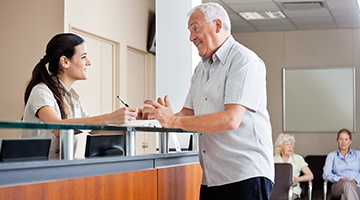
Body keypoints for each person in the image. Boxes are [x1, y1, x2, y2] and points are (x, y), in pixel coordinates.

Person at [143, 2, 274, 200]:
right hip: (213, 177)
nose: (191, 37)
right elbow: (187, 114)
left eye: (195, 28)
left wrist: (173, 121)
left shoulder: (244, 61)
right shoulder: (201, 69)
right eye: (189, 31)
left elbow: (231, 119)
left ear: (218, 26)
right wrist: (157, 116)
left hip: (245, 174)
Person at [21, 33, 140, 159]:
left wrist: (132, 123)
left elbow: (92, 129)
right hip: (35, 170)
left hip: (61, 169)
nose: (89, 63)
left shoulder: (73, 97)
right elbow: (58, 128)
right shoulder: (41, 91)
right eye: (83, 57)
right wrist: (110, 117)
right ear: (65, 62)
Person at [323, 128, 360, 200]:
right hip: (338, 187)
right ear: (337, 140)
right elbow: (326, 174)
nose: (343, 142)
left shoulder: (358, 155)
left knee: (344, 195)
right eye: (341, 139)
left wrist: (355, 180)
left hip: (357, 187)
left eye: (346, 139)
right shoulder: (332, 156)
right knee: (347, 184)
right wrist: (339, 179)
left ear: (350, 141)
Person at [274, 133, 314, 199]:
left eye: (291, 144)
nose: (290, 147)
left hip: (292, 190)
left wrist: (297, 179)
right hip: (275, 190)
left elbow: (310, 175)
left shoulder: (297, 158)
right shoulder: (273, 159)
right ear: (280, 147)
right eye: (287, 144)